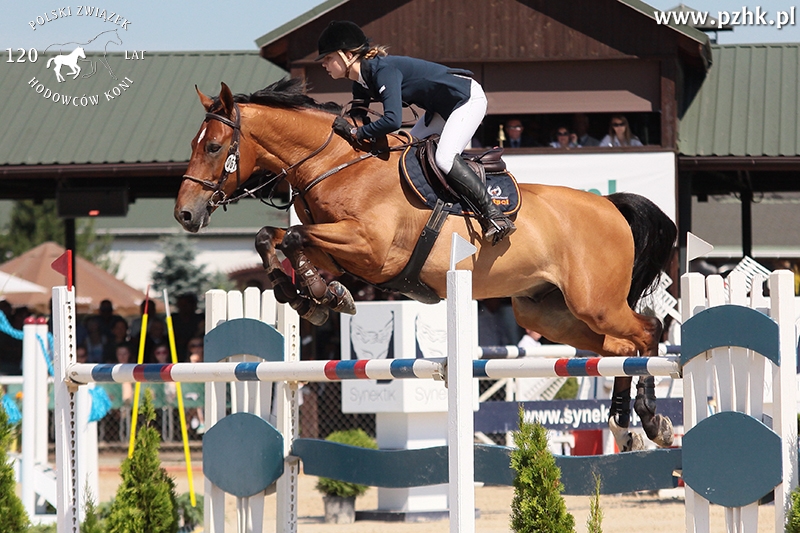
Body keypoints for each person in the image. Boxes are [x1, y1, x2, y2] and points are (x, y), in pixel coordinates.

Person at [317, 20, 515, 245]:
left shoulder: (383, 70)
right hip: (439, 109)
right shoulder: (360, 82)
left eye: (327, 58)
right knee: (407, 153)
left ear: (347, 55)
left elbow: (392, 121)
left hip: (466, 99)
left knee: (444, 157)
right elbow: (357, 121)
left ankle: (494, 215)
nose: (324, 64)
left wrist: (356, 132)